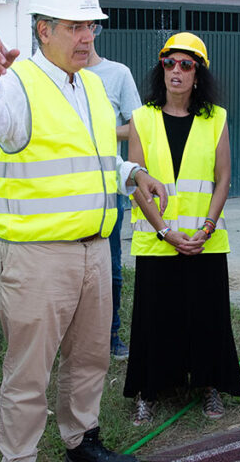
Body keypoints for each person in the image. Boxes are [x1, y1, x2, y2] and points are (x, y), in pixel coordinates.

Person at [0, 0, 168, 462]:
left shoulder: (94, 87)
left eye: (90, 25)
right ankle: (20, 455)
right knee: (29, 371)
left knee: (91, 358)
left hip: (94, 252)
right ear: (43, 30)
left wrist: (130, 173)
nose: (86, 36)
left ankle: (82, 440)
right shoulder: (17, 84)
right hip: (38, 258)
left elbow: (94, 159)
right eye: (74, 26)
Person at [123, 32, 240, 426]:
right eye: (169, 63)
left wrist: (206, 228)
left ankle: (208, 384)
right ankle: (149, 390)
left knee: (207, 316)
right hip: (158, 241)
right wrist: (164, 232)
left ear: (198, 73)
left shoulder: (217, 118)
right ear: (161, 69)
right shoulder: (142, 118)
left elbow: (223, 178)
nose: (176, 71)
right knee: (154, 319)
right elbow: (136, 181)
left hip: (203, 242)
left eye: (186, 64)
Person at [87, 42, 142, 360]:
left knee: (110, 267)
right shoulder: (52, 77)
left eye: (86, 26)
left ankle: (111, 336)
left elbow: (138, 124)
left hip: (107, 189)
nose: (82, 35)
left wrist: (99, 132)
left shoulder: (117, 74)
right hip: (62, 194)